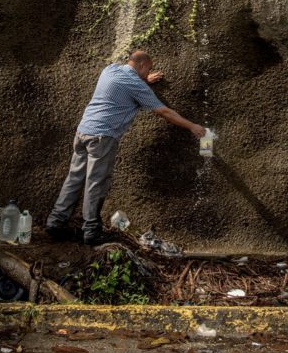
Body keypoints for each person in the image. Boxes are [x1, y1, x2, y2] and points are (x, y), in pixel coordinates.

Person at [45, 50, 205, 245]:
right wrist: (193, 126)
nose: (148, 73)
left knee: (74, 178)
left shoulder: (110, 70)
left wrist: (144, 81)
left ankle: (55, 223)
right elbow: (165, 112)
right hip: (102, 138)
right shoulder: (136, 86)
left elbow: (122, 87)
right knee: (96, 183)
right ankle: (91, 232)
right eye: (148, 69)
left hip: (83, 132)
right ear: (143, 65)